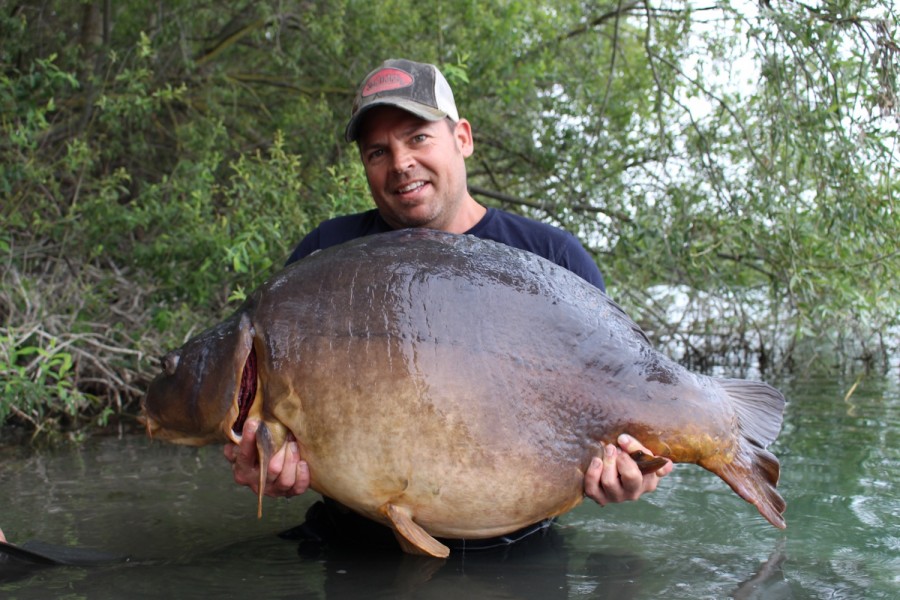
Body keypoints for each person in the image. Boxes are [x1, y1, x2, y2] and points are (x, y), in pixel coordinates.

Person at [223, 58, 673, 551]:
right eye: (377, 151)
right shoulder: (324, 260)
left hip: (516, 546)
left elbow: (622, 406)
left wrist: (636, 467)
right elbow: (285, 434)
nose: (399, 163)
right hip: (357, 545)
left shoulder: (554, 259)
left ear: (462, 137)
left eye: (417, 137)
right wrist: (272, 468)